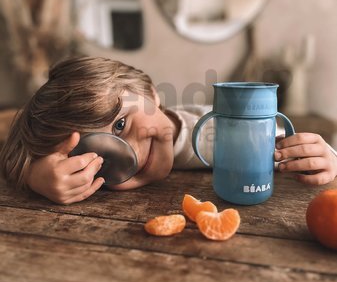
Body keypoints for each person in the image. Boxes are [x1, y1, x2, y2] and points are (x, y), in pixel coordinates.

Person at [0, 56, 336, 205]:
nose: (128, 154)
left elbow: (284, 148)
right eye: (100, 150)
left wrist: (326, 159)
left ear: (150, 93)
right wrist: (36, 176)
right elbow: (14, 151)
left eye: (121, 124)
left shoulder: (220, 135)